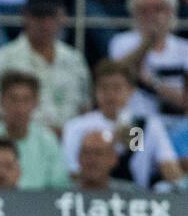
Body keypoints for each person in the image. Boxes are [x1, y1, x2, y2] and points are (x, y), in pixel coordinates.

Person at [0, 0, 91, 134]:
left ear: (63, 17)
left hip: (67, 148)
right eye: (39, 16)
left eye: (52, 16)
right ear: (25, 16)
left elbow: (85, 111)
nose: (46, 23)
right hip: (19, 147)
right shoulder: (4, 58)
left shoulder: (75, 60)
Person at [61, 60, 182, 189]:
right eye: (104, 88)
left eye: (117, 88)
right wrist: (107, 147)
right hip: (90, 195)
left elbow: (170, 169)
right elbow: (72, 173)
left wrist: (128, 146)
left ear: (131, 91)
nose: (110, 95)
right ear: (95, 90)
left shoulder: (144, 125)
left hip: (136, 198)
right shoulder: (77, 126)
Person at [0, 71, 70, 189]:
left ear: (36, 103)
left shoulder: (48, 141)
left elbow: (59, 188)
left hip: (39, 206)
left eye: (26, 100)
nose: (20, 108)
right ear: (1, 101)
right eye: (13, 99)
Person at [109, 0, 188, 118]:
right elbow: (117, 75)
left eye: (158, 8)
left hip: (176, 126)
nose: (151, 16)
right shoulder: (122, 42)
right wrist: (148, 42)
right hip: (136, 124)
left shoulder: (184, 48)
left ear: (172, 11)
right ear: (133, 13)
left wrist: (151, 83)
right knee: (134, 139)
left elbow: (185, 102)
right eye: (143, 10)